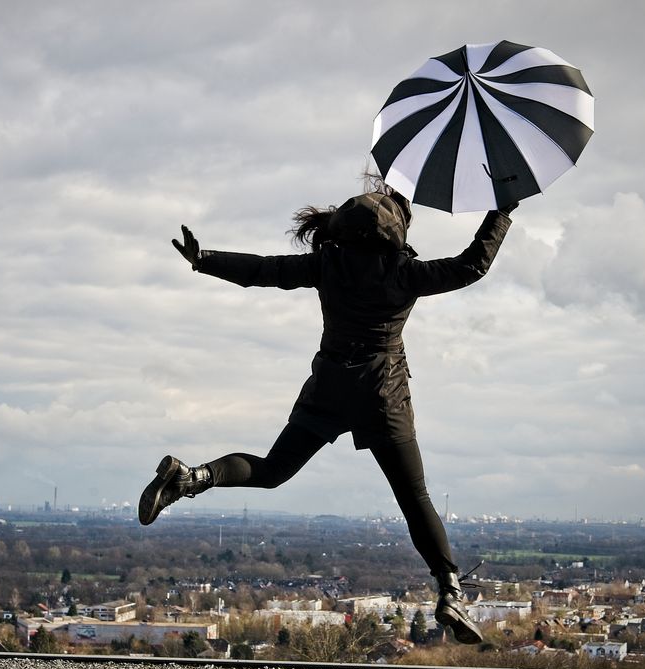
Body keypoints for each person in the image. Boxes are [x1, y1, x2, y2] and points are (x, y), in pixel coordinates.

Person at [139, 179, 515, 644]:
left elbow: (267, 270)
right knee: (414, 498)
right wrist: (501, 211)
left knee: (273, 470)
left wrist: (206, 260)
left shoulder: (330, 264)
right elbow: (471, 266)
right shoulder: (404, 272)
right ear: (394, 233)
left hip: (330, 388)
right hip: (383, 395)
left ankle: (191, 477)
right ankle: (449, 591)